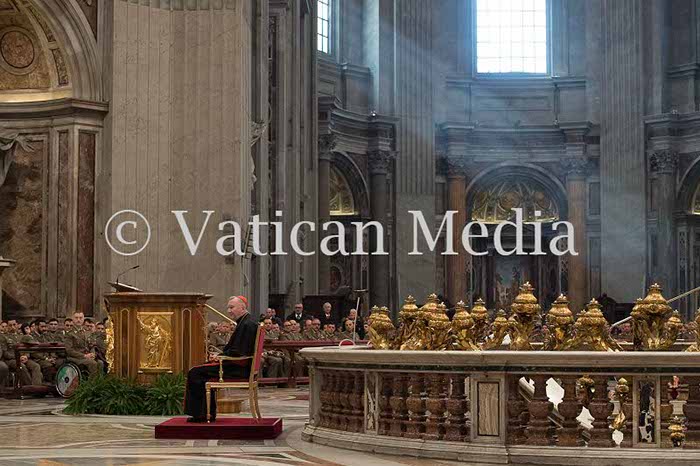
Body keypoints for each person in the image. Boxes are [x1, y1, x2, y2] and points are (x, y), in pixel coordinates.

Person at [185, 296, 259, 423]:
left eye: (232, 307)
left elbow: (238, 352)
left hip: (237, 368)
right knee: (201, 370)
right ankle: (206, 413)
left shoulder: (247, 324)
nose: (229, 311)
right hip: (238, 365)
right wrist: (219, 356)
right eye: (228, 308)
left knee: (194, 372)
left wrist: (219, 357)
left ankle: (201, 415)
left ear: (242, 307)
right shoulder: (247, 321)